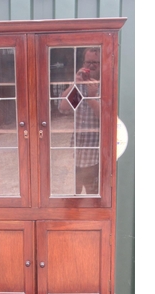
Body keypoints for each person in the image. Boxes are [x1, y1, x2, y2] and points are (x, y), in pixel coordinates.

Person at [58, 47, 101, 195]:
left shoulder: (106, 85)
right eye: (88, 62)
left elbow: (106, 117)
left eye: (95, 62)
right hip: (79, 150)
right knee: (76, 194)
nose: (91, 66)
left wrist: (91, 97)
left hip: (95, 152)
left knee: (93, 193)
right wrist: (75, 84)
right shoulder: (79, 87)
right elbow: (63, 107)